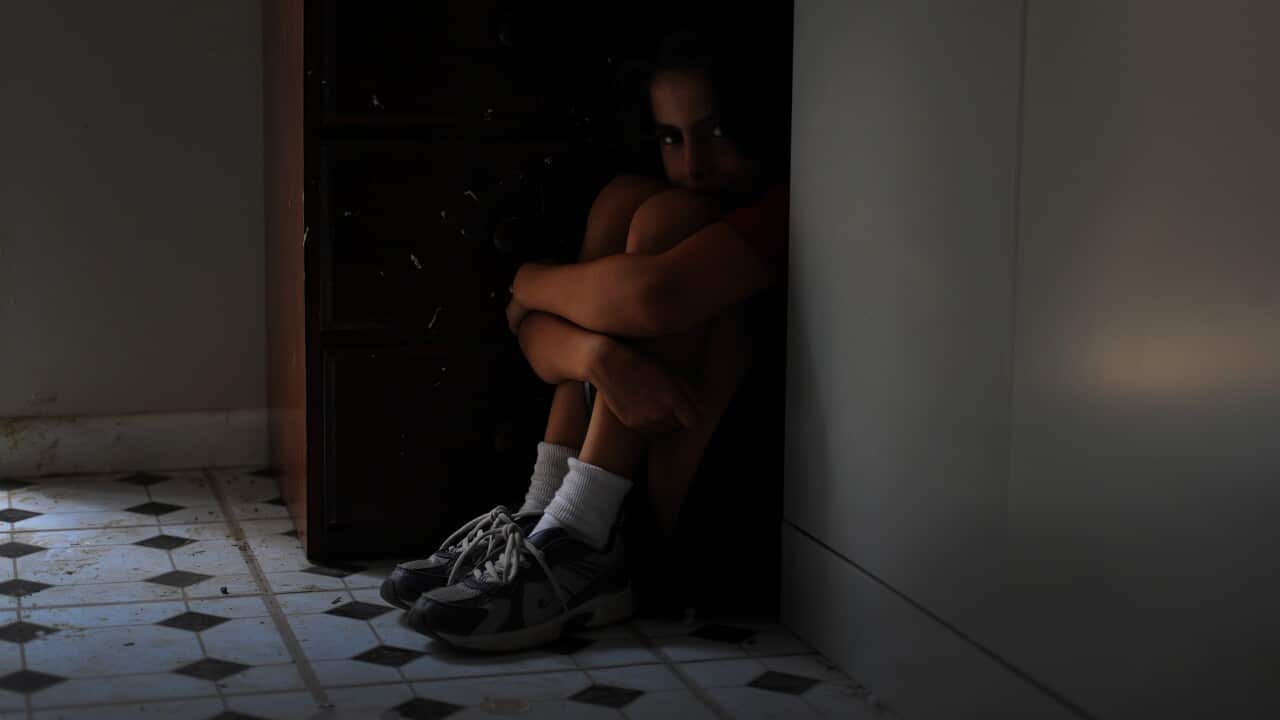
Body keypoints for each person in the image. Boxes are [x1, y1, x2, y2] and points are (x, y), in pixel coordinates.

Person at [380, 14, 791, 652]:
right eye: (672, 138)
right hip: (650, 482)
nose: (695, 162)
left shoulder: (786, 206)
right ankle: (551, 519)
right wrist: (601, 358)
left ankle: (582, 542)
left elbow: (650, 298)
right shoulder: (656, 197)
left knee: (670, 219)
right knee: (624, 201)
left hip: (732, 510)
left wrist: (527, 280)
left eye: (713, 131)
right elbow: (538, 343)